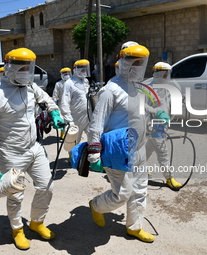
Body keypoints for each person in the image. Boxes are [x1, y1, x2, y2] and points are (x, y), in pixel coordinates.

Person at [0, 48, 65, 250]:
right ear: (9, 67)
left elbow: (47, 99)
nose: (26, 72)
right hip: (10, 153)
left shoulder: (30, 87)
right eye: (22, 68)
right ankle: (17, 229)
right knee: (15, 196)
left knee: (47, 187)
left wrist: (55, 113)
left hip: (34, 148)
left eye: (29, 68)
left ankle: (36, 222)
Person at [86, 43, 155, 242]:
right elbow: (96, 124)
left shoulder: (138, 87)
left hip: (139, 148)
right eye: (133, 62)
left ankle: (134, 226)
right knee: (122, 193)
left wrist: (156, 114)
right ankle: (96, 205)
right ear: (122, 62)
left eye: (141, 63)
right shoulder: (111, 90)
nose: (137, 67)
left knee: (140, 189)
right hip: (118, 151)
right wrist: (94, 152)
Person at [143, 62, 182, 188]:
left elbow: (170, 104)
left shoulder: (169, 86)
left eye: (168, 73)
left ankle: (137, 171)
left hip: (163, 124)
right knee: (162, 151)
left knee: (148, 149)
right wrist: (156, 112)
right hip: (152, 124)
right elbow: (142, 105)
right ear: (159, 73)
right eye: (165, 73)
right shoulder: (147, 86)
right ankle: (169, 177)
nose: (167, 76)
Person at [59, 59, 92, 145]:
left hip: (88, 116)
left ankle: (89, 157)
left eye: (85, 69)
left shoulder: (86, 81)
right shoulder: (69, 84)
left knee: (93, 137)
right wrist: (69, 119)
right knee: (74, 142)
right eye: (82, 69)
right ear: (75, 69)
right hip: (75, 118)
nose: (84, 71)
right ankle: (73, 158)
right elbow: (64, 103)